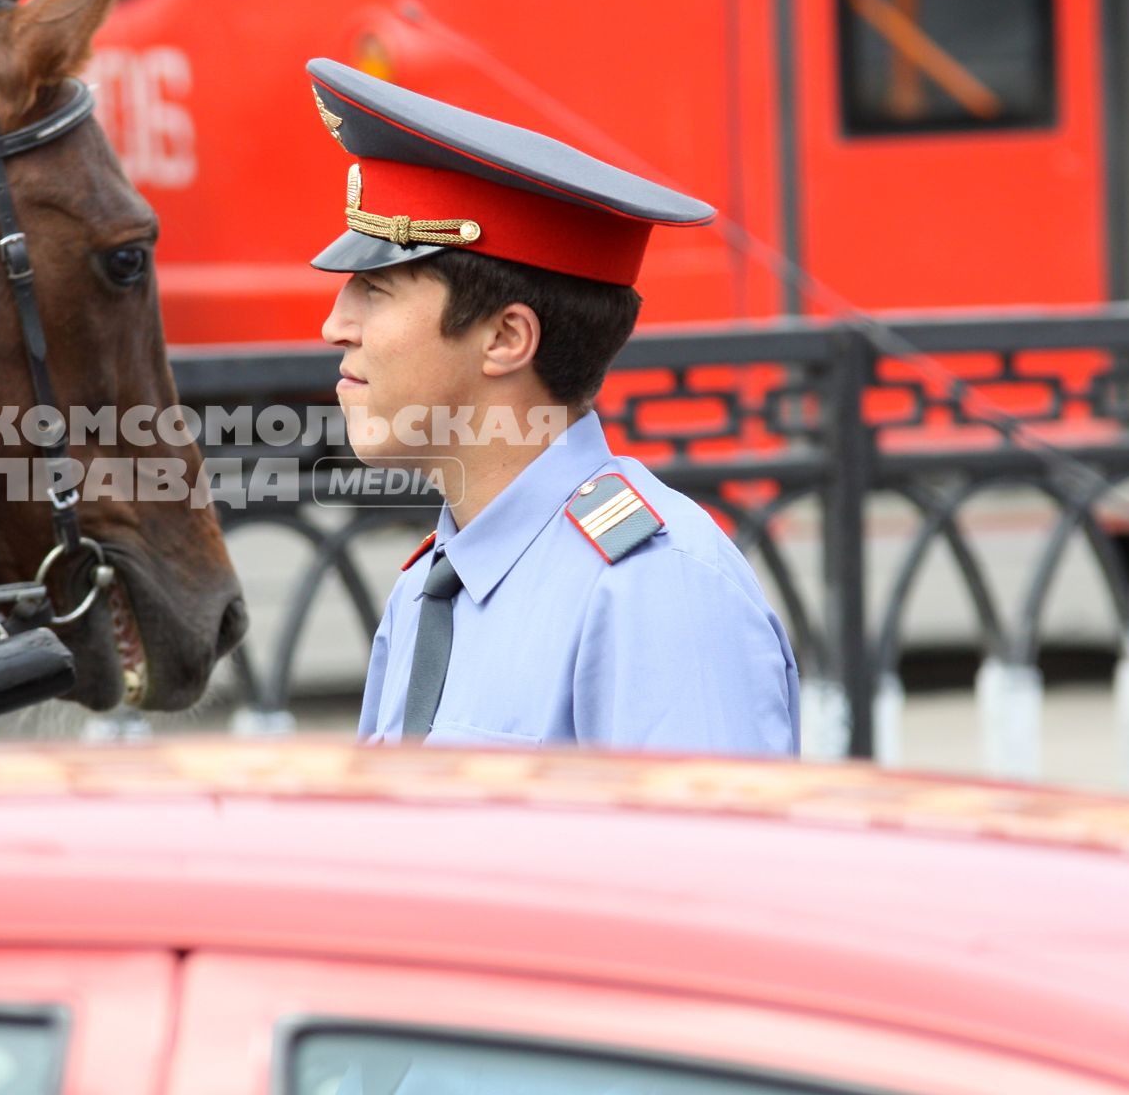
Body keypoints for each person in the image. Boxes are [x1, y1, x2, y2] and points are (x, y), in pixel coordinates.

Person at [309, 59, 799, 753]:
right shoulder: (427, 589)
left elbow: (708, 862)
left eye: (374, 291)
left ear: (507, 337)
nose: (335, 326)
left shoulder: (652, 591)